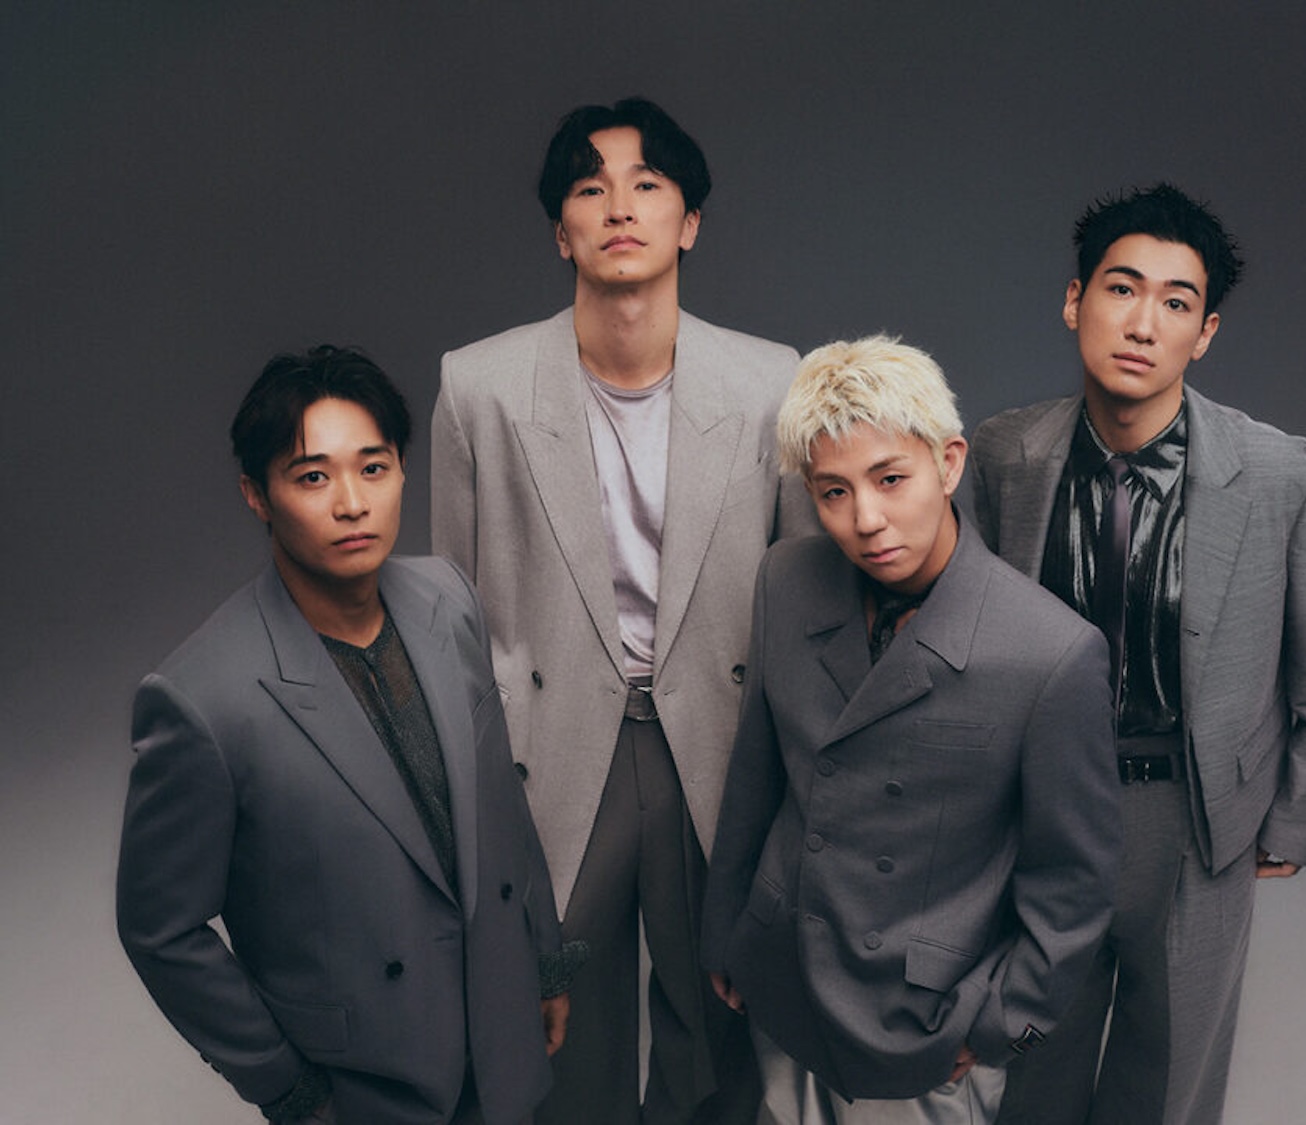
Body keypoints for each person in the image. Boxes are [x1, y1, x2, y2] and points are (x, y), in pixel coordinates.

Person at [431, 97, 815, 1125]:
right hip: (551, 746)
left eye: (648, 183)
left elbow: (801, 605)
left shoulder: (772, 380)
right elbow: (451, 617)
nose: (619, 206)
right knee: (559, 1037)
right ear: (560, 231)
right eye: (589, 187)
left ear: (690, 222)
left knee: (720, 1035)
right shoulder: (478, 387)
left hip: (718, 742)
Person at [971, 184, 1306, 1124]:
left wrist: (1294, 819)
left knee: (1168, 1079)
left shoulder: (1280, 477)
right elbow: (966, 643)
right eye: (1121, 289)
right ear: (1075, 301)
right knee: (1031, 1064)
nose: (1143, 323)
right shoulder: (1004, 454)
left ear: (1205, 332)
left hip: (1192, 819)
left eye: (1176, 302)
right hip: (1045, 807)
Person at [117, 346, 569, 1125]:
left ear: (402, 471)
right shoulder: (201, 699)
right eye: (312, 477)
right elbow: (159, 928)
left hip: (501, 1034)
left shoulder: (449, 598)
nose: (353, 503)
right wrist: (285, 1084)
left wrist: (545, 958)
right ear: (256, 494)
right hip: (363, 1081)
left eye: (374, 467)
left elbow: (500, 800)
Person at [701, 336, 1120, 1124]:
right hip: (781, 976)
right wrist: (726, 932)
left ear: (949, 463)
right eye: (834, 491)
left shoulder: (1051, 651)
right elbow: (754, 775)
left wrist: (1002, 1028)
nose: (866, 519)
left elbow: (1074, 886)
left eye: (891, 479)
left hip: (923, 1018)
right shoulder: (786, 579)